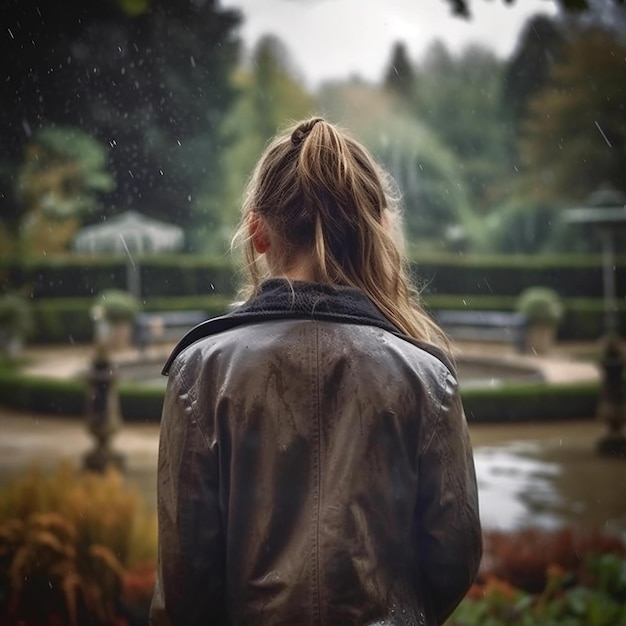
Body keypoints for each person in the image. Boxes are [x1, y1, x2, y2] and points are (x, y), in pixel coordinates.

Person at [149, 117, 482, 626]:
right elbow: (452, 559)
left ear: (258, 233)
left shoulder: (202, 370)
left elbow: (185, 580)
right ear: (376, 232)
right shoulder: (426, 377)